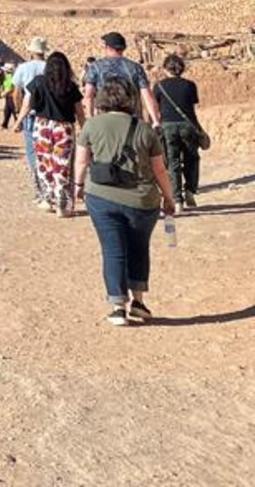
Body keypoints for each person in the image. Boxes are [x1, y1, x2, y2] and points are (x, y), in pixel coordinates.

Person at [74, 76, 176, 326]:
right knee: (139, 247)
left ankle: (118, 306)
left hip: (101, 196)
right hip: (142, 201)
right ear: (130, 99)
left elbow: (82, 161)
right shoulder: (143, 129)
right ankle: (138, 301)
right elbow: (160, 169)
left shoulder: (92, 125)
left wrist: (77, 186)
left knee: (113, 249)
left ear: (101, 99)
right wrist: (168, 197)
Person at [16, 51, 84, 216]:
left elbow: (27, 104)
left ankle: (47, 200)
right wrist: (85, 128)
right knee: (62, 164)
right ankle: (63, 205)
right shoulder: (70, 86)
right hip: (64, 128)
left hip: (42, 126)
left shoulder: (38, 82)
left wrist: (19, 121)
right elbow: (79, 112)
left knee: (44, 163)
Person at [153, 55, 205, 209]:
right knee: (191, 158)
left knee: (172, 162)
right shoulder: (190, 85)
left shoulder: (159, 86)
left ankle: (177, 200)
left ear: (165, 69)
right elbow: (192, 108)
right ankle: (190, 189)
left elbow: (155, 108)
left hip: (167, 126)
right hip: (188, 125)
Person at [83, 32, 161, 125]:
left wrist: (90, 118)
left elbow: (88, 96)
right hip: (131, 120)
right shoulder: (135, 67)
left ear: (108, 47)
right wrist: (155, 120)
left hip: (104, 120)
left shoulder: (95, 67)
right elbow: (147, 95)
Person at [11, 39, 49, 202]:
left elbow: (16, 92)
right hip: (48, 114)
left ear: (31, 52)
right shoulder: (50, 67)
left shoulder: (23, 68)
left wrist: (18, 113)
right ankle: (50, 188)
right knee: (47, 151)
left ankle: (39, 191)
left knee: (32, 153)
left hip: (30, 115)